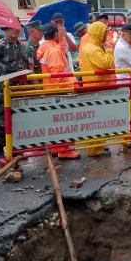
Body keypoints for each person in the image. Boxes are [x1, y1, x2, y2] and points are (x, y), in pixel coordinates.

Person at [37, 23, 81, 160]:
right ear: (55, 34)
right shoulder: (53, 51)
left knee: (55, 122)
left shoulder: (45, 48)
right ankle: (64, 150)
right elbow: (58, 76)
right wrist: (71, 86)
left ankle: (56, 148)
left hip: (51, 90)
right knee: (64, 123)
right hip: (60, 92)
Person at [0, 26, 29, 163]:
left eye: (17, 28)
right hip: (3, 89)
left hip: (19, 90)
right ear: (5, 30)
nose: (15, 30)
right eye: (11, 28)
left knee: (18, 118)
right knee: (3, 120)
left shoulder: (22, 46)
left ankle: (16, 148)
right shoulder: (0, 45)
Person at [80, 21, 115, 157]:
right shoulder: (93, 49)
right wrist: (109, 50)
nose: (106, 35)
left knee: (97, 121)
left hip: (95, 87)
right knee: (98, 121)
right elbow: (107, 63)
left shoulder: (90, 47)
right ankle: (96, 150)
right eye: (105, 33)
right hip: (97, 89)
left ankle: (99, 146)